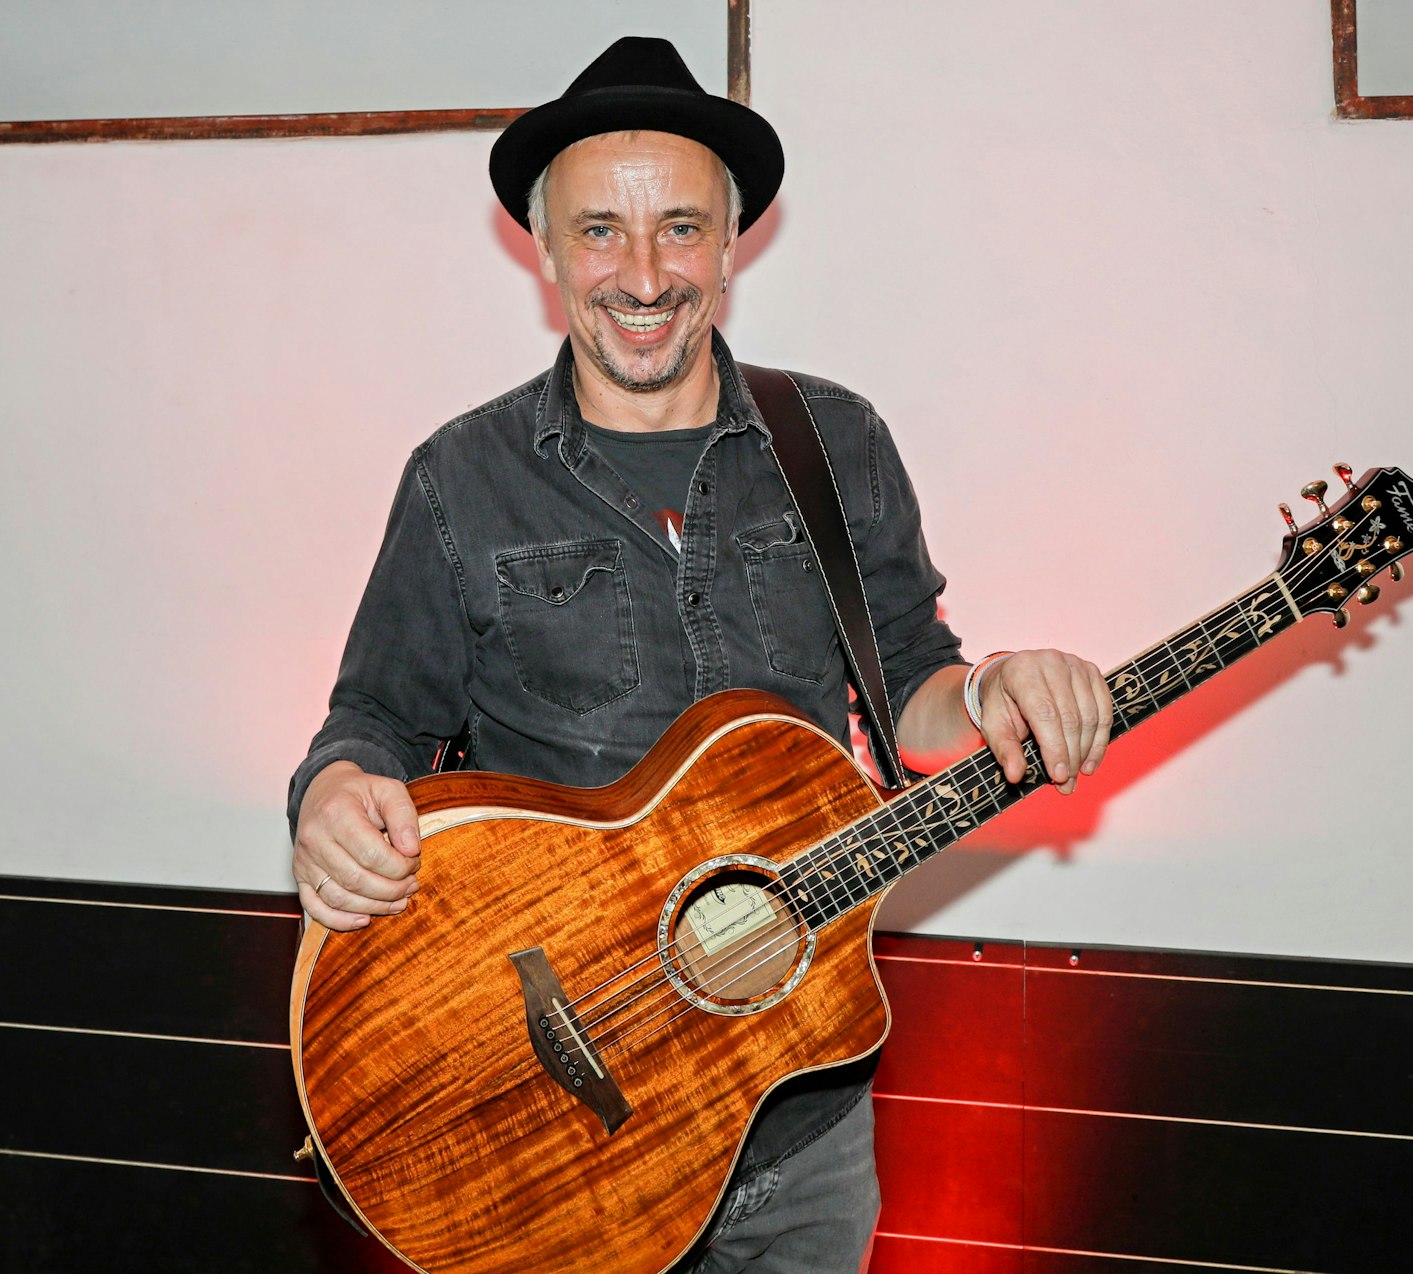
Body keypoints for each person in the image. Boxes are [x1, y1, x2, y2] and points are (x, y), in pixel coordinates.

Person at [288, 36, 1112, 1274]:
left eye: (679, 227)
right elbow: (376, 720)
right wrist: (335, 794)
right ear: (545, 245)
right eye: (599, 233)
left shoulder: (834, 439)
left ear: (731, 244)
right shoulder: (461, 474)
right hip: (558, 1133)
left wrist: (998, 692)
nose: (642, 273)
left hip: (798, 1110)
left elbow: (913, 697)